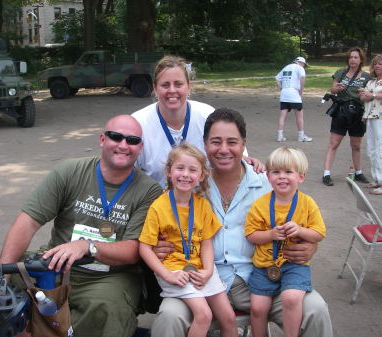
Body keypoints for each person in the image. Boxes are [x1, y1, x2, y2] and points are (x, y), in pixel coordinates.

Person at [151, 108, 333, 337]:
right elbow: (158, 234)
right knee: (170, 316)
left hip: (261, 280)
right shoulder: (187, 186)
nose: (224, 149)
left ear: (243, 144)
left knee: (315, 309)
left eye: (232, 142)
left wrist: (310, 246)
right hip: (199, 281)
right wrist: (158, 246)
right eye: (216, 142)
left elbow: (303, 224)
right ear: (205, 144)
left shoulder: (268, 185)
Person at [0, 115, 163, 337]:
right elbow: (27, 222)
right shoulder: (69, 172)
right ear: (103, 139)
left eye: (132, 140)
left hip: (109, 275)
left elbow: (134, 249)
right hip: (55, 265)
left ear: (140, 147)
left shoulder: (149, 191)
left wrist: (87, 247)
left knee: (107, 306)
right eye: (116, 137)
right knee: (5, 292)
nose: (124, 145)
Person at [139, 143, 238, 337]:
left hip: (200, 269)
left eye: (193, 170)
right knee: (204, 316)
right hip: (174, 271)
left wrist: (208, 270)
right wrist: (167, 275)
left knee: (228, 318)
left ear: (201, 176)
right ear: (169, 171)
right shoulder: (158, 207)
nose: (185, 174)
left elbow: (206, 242)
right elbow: (144, 248)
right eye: (180, 168)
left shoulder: (202, 205)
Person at [131, 55, 261, 188]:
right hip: (157, 203)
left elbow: (236, 154)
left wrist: (247, 162)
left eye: (178, 84)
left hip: (205, 200)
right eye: (165, 85)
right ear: (155, 88)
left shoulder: (207, 115)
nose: (172, 90)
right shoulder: (138, 124)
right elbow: (125, 170)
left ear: (189, 87)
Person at [245, 147, 326, 337]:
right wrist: (270, 235)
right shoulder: (260, 204)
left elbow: (319, 233)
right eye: (276, 172)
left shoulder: (307, 204)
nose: (282, 177)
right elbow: (250, 234)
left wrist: (301, 231)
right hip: (264, 267)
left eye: (288, 172)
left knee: (291, 298)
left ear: (301, 177)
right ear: (268, 176)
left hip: (294, 266)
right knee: (257, 308)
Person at [322, 47, 372, 186]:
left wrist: (364, 94)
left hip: (357, 113)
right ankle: (326, 174)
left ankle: (359, 172)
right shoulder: (341, 73)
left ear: (361, 59)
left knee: (356, 145)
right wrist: (336, 89)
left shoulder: (367, 77)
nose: (352, 60)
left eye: (356, 57)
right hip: (341, 112)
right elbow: (332, 89)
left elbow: (368, 96)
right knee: (334, 143)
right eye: (350, 57)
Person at [359, 54, 382, 195]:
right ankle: (377, 179)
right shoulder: (371, 82)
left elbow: (370, 96)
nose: (377, 66)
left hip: (380, 118)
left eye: (380, 64)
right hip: (370, 117)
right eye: (375, 64)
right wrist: (371, 94)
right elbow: (362, 97)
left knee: (381, 149)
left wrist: (371, 95)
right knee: (372, 149)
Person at [275, 56, 312, 143]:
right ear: (301, 63)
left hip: (284, 93)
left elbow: (277, 78)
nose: (304, 66)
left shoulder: (286, 67)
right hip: (294, 93)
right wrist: (301, 90)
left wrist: (282, 88)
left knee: (282, 116)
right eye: (304, 64)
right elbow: (303, 78)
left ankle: (280, 136)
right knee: (299, 116)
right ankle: (301, 136)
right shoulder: (300, 68)